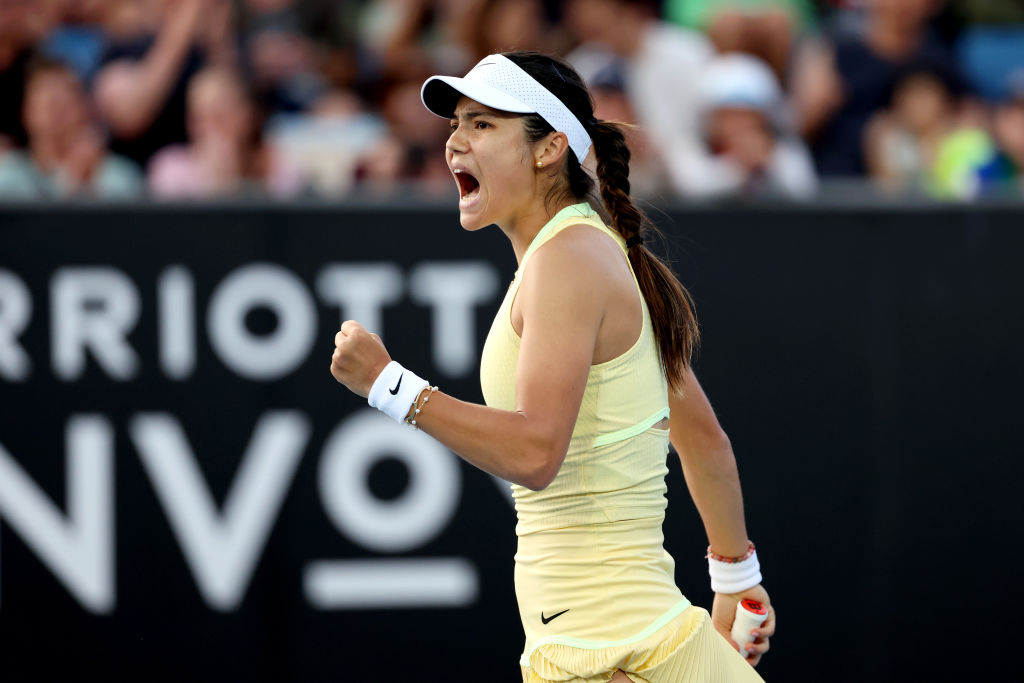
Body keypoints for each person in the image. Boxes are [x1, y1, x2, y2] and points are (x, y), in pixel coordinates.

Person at [330, 51, 774, 681]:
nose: (455, 141)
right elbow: (704, 439)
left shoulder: (567, 261)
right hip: (640, 645)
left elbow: (538, 452)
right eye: (456, 123)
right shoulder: (594, 251)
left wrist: (389, 386)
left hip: (610, 654)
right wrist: (737, 580)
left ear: (548, 148)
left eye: (483, 124)